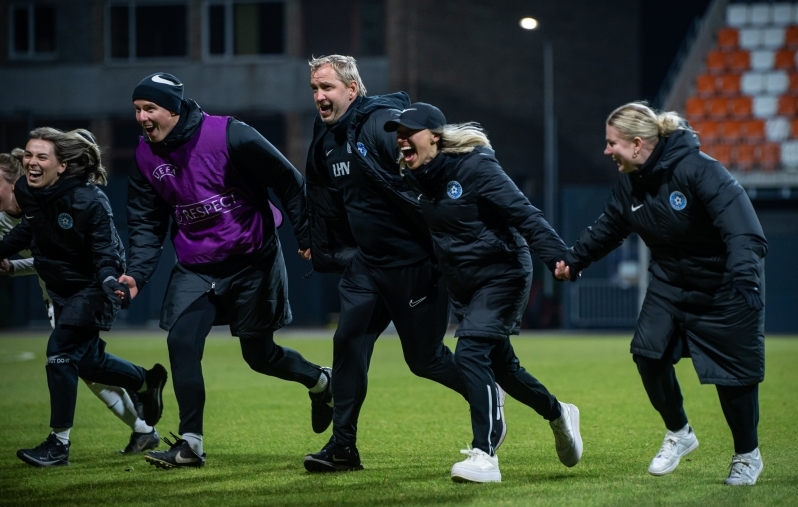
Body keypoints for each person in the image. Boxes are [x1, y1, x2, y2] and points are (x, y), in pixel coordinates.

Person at [122, 72, 331, 469]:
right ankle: (191, 444)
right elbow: (146, 223)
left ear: (174, 109)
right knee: (182, 342)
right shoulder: (144, 155)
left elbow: (288, 181)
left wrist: (307, 236)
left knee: (260, 356)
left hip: (253, 260)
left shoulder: (230, 135)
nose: (142, 118)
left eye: (150, 109)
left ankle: (321, 381)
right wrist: (137, 273)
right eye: (137, 110)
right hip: (196, 266)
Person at [555, 102, 767, 486]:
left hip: (724, 284)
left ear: (637, 145)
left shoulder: (700, 170)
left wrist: (745, 277)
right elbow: (609, 226)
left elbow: (742, 229)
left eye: (612, 143)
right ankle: (680, 433)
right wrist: (575, 259)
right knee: (647, 354)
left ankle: (747, 455)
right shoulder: (629, 182)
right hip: (670, 284)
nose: (606, 151)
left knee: (733, 378)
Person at [302, 55, 486, 473]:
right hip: (367, 266)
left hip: (415, 265)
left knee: (426, 361)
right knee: (348, 344)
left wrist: (458, 229)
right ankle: (343, 447)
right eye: (314, 89)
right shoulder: (326, 139)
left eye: (327, 88)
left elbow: (431, 166)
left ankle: (487, 395)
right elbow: (319, 195)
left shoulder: (381, 125)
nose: (319, 97)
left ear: (352, 89)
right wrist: (316, 241)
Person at [386, 103, 582, 483]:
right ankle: (559, 413)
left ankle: (484, 454)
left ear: (435, 138)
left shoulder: (475, 167)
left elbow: (525, 214)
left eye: (409, 131)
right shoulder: (413, 177)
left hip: (504, 274)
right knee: (505, 370)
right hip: (466, 284)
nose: (401, 139)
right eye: (398, 132)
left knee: (471, 352)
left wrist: (558, 255)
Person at [0, 128, 167, 467]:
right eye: (28, 155)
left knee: (59, 353)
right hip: (60, 290)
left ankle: (58, 444)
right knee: (88, 363)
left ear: (61, 166)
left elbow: (106, 251)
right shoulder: (27, 191)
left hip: (91, 289)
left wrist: (109, 280)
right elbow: (29, 229)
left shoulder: (89, 200)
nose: (31, 162)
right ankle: (145, 381)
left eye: (41, 156)